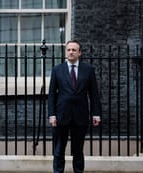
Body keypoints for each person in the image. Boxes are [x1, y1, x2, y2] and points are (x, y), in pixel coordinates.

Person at [47, 40, 101, 173]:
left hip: (80, 115)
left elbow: (94, 93)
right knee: (59, 149)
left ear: (79, 53)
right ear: (66, 52)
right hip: (61, 115)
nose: (71, 52)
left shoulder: (88, 70)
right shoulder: (57, 70)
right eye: (69, 50)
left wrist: (96, 113)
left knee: (78, 150)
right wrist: (52, 114)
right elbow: (52, 94)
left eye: (74, 50)